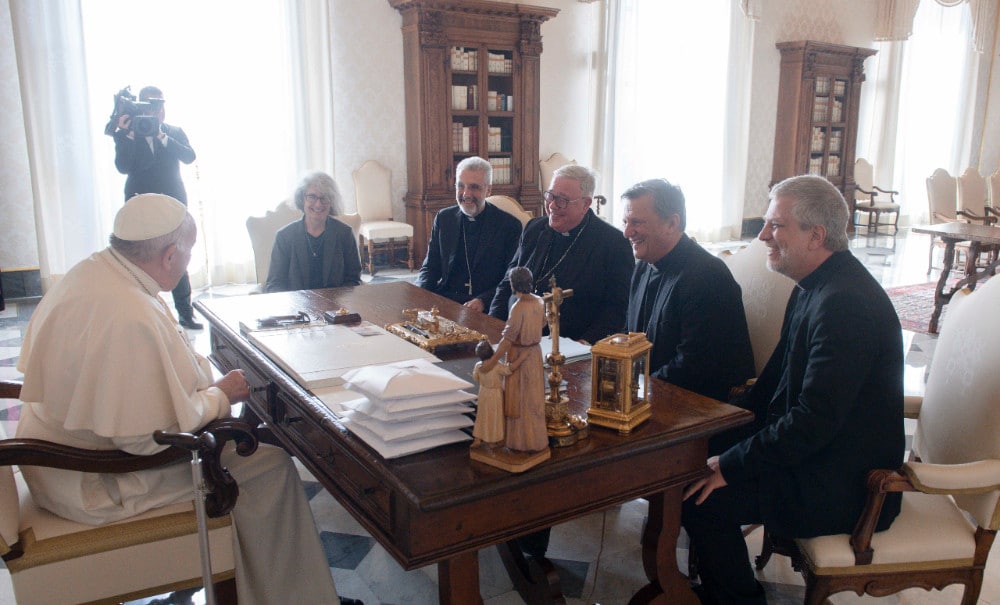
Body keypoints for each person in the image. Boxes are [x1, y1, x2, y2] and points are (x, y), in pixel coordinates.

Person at [15, 193, 359, 605]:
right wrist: (220, 396)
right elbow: (149, 439)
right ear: (168, 255)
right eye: (189, 252)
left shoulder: (93, 272)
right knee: (269, 465)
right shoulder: (128, 314)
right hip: (95, 481)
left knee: (253, 451)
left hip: (56, 458)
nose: (189, 263)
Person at [682, 175, 905, 605]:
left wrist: (729, 464)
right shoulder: (814, 286)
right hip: (813, 454)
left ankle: (738, 599)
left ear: (815, 236)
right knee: (687, 458)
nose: (762, 235)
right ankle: (720, 583)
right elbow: (772, 386)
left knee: (702, 500)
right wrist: (710, 426)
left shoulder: (846, 304)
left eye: (775, 226)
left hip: (842, 480)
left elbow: (811, 423)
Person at [621, 178, 755, 403]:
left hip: (701, 406)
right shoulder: (643, 266)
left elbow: (694, 367)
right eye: (625, 221)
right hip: (654, 393)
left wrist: (634, 391)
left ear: (672, 223)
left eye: (637, 222)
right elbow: (631, 337)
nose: (626, 232)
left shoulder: (707, 276)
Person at [489, 164, 634, 344]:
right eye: (550, 195)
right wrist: (492, 325)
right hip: (514, 335)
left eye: (562, 200)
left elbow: (616, 310)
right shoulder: (535, 228)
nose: (551, 205)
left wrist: (586, 344)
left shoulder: (613, 244)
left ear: (586, 203)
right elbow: (506, 283)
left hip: (568, 346)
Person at [113, 85, 201, 330]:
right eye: (148, 106)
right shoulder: (129, 133)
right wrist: (128, 133)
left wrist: (162, 136)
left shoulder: (173, 132)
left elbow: (189, 156)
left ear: (163, 108)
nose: (154, 111)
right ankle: (141, 313)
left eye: (158, 106)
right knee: (139, 257)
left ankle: (185, 313)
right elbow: (122, 166)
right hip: (139, 203)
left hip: (173, 203)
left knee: (178, 255)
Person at [416, 156, 522, 311]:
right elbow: (430, 267)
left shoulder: (509, 226)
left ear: (488, 190)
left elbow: (510, 278)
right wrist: (420, 294)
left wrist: (483, 300)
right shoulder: (444, 218)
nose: (466, 194)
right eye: (461, 186)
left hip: (487, 306)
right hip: (447, 300)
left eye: (474, 187)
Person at [482, 267, 548, 453]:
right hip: (535, 353)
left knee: (520, 403)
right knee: (534, 402)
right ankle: (536, 441)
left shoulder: (518, 307)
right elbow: (543, 323)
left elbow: (508, 339)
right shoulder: (539, 301)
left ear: (514, 284)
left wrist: (493, 360)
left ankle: (520, 443)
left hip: (519, 355)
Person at [265, 171, 362, 293]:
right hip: (296, 308)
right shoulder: (284, 237)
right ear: (302, 199)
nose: (318, 204)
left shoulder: (345, 234)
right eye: (312, 197)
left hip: (336, 307)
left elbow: (354, 279)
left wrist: (336, 301)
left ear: (332, 201)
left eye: (324, 197)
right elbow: (275, 284)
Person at [471, 340, 509, 447]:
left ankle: (478, 438)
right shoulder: (497, 365)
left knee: (482, 416)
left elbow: (475, 378)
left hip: (483, 392)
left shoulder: (478, 366)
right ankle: (492, 439)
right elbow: (507, 371)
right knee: (494, 416)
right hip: (495, 393)